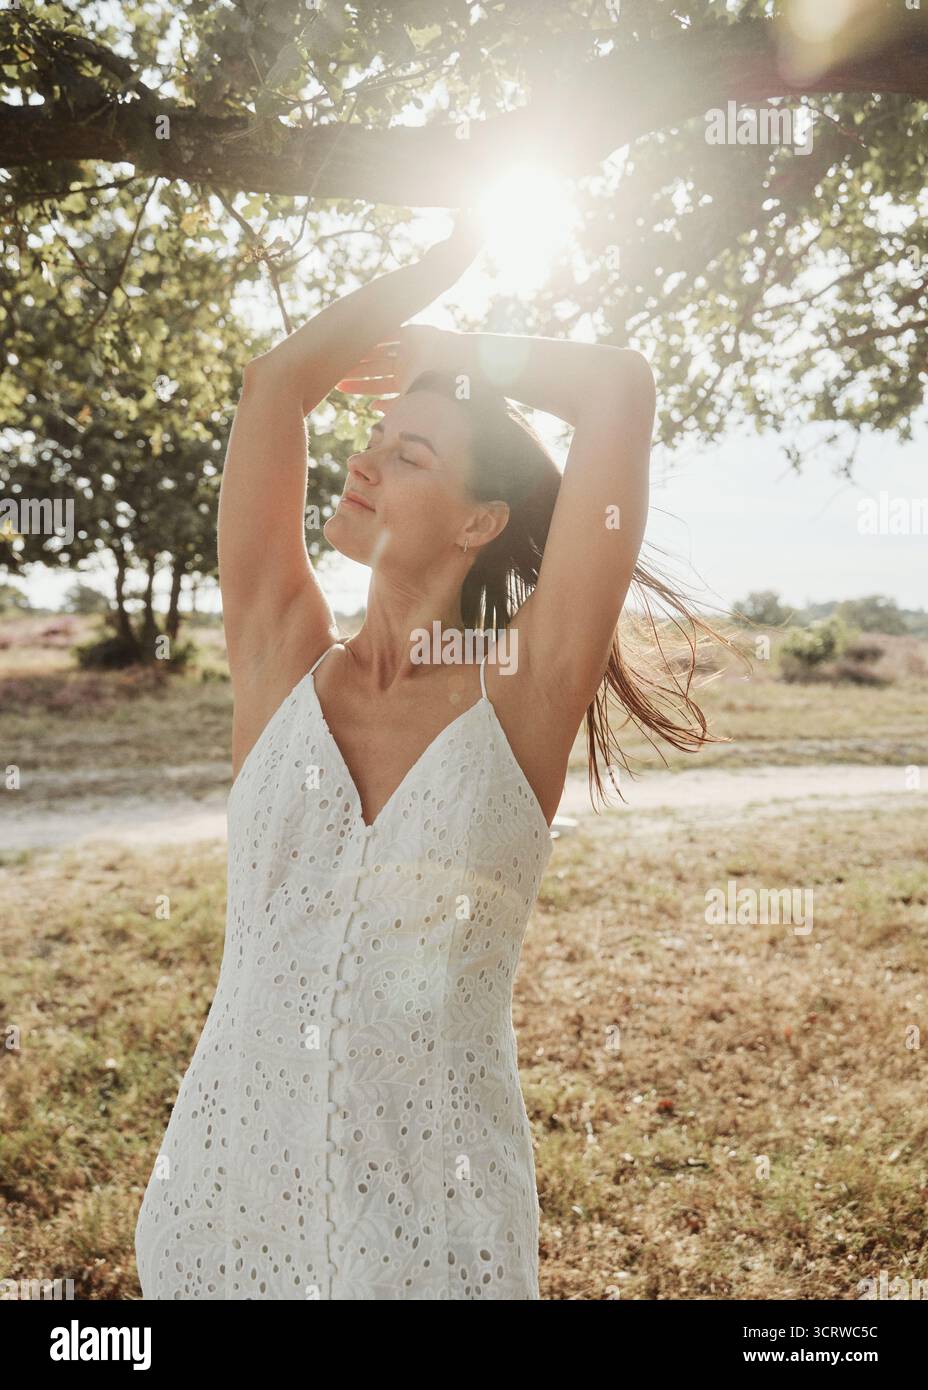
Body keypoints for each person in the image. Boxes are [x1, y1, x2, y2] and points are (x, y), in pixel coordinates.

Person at [135, 215, 708, 1300]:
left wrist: (456, 343)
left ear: (477, 520)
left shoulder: (524, 695)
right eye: (377, 438)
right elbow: (275, 386)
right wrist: (417, 292)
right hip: (218, 1202)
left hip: (431, 1234)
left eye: (410, 453)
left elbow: (618, 389)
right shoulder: (276, 658)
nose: (365, 460)